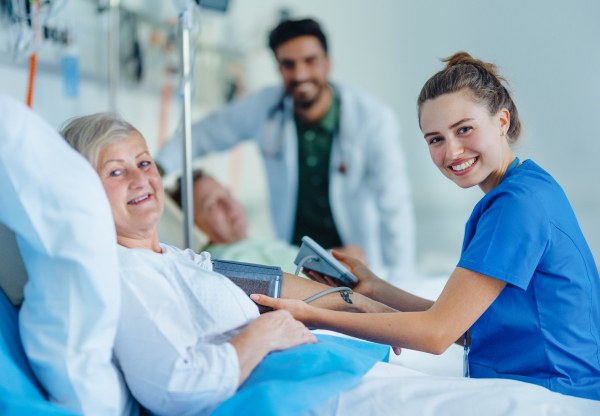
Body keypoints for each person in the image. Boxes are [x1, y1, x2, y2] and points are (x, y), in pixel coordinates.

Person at [253, 52, 600, 401]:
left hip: (555, 393)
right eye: (435, 139)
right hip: (552, 384)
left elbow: (438, 334)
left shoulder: (517, 205)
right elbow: (462, 324)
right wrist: (374, 288)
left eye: (464, 129)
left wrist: (313, 315)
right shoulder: (527, 186)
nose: (451, 152)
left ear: (502, 121)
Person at [58, 113, 397, 416]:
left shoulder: (173, 258)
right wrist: (265, 333)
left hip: (319, 377)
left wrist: (364, 307)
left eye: (145, 163)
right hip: (304, 398)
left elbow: (265, 282)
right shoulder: (122, 275)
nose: (139, 178)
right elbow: (178, 389)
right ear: (82, 190)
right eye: (116, 171)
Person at [155, 18, 415, 281]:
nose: (300, 74)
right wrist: (156, 169)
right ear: (278, 68)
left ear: (328, 63)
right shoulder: (265, 107)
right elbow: (204, 134)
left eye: (310, 61)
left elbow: (394, 206)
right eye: (288, 65)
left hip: (357, 258)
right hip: (298, 263)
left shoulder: (372, 119)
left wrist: (402, 282)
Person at [168, 170, 368, 274]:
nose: (229, 204)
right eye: (212, 204)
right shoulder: (230, 262)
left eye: (227, 194)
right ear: (193, 227)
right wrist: (336, 266)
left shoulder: (250, 244)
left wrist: (334, 258)